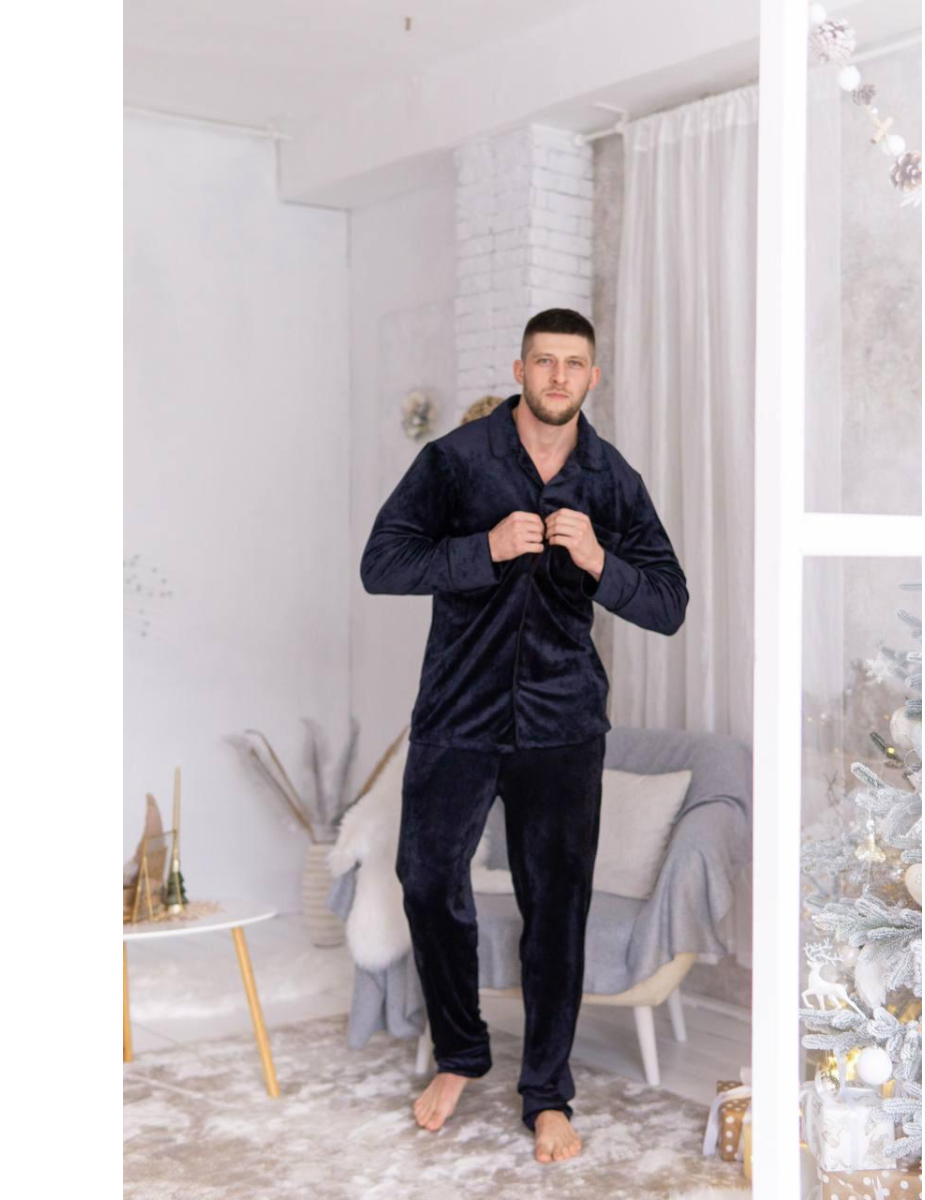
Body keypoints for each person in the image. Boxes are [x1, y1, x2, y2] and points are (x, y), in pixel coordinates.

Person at [359, 308, 689, 1163]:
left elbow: (668, 603)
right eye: (544, 361)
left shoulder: (611, 479)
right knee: (427, 879)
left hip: (562, 723)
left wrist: (600, 562)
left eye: (573, 364)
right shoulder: (455, 462)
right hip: (457, 714)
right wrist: (484, 548)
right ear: (520, 369)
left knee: (556, 910)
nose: (557, 377)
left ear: (592, 378)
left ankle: (546, 1096)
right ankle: (461, 1054)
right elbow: (381, 563)